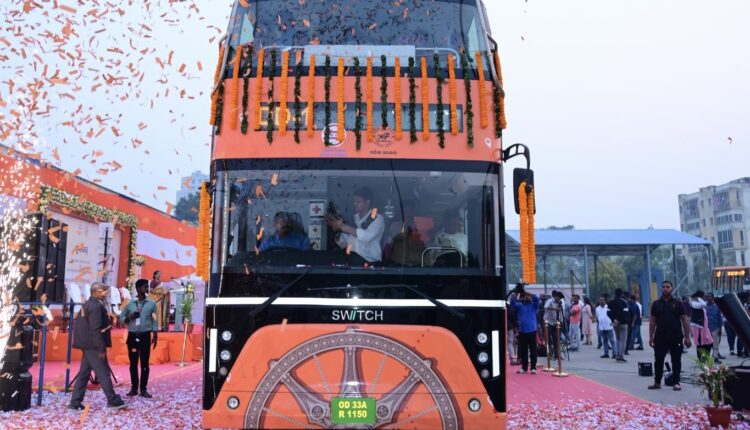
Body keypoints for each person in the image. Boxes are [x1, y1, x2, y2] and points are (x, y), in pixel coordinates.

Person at [68, 283, 126, 410]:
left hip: (88, 344)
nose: (107, 294)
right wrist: (100, 348)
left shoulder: (89, 304)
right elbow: (95, 330)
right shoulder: (94, 307)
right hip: (93, 345)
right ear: (97, 291)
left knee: (84, 374)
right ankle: (113, 400)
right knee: (103, 373)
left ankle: (75, 402)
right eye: (105, 291)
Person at [648, 280, 692, 391]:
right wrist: (651, 337)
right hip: (660, 337)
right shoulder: (656, 304)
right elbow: (652, 322)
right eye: (663, 287)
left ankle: (676, 382)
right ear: (661, 289)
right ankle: (657, 382)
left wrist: (687, 337)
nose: (665, 288)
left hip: (676, 336)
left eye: (668, 287)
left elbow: (685, 320)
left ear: (671, 288)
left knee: (676, 360)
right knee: (658, 360)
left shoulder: (678, 303)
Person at [120, 279, 158, 398]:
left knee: (145, 363)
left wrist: (155, 334)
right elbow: (121, 318)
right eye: (144, 287)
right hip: (132, 336)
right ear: (138, 289)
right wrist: (129, 317)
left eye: (147, 287)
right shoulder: (130, 304)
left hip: (145, 336)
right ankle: (134, 388)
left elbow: (155, 320)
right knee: (133, 363)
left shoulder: (152, 304)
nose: (147, 289)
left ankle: (143, 389)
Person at [326, 187, 385, 263]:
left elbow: (366, 236)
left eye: (358, 202)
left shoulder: (378, 218)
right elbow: (344, 244)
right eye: (354, 201)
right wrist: (336, 229)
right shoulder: (352, 219)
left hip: (370, 264)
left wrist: (343, 226)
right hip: (351, 262)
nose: (354, 204)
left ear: (367, 203)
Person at [510, 283, 540, 374]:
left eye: (527, 297)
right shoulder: (520, 305)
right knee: (523, 350)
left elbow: (536, 298)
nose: (526, 298)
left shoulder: (533, 306)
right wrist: (516, 294)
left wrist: (526, 292)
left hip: (532, 330)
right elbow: (512, 303)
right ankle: (524, 367)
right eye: (525, 297)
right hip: (522, 331)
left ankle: (533, 367)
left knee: (533, 350)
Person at [689, 290, 714, 363]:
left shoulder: (697, 302)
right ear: (700, 296)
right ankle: (700, 360)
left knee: (709, 342)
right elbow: (704, 305)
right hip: (698, 327)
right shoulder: (694, 303)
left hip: (704, 327)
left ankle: (705, 357)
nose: (705, 297)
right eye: (704, 296)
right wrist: (699, 298)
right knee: (700, 344)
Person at [608, 288, 631, 362]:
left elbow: (608, 313)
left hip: (614, 323)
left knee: (617, 338)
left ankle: (617, 354)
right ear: (622, 294)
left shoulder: (610, 302)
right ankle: (621, 355)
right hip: (623, 323)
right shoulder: (624, 302)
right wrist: (619, 320)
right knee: (623, 340)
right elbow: (625, 313)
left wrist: (614, 319)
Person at [543, 291, 564, 359]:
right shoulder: (549, 301)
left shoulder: (559, 303)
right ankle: (549, 354)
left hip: (555, 323)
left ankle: (557, 354)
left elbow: (560, 313)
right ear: (556, 297)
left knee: (556, 339)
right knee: (548, 339)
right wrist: (555, 309)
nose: (559, 300)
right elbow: (546, 307)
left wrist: (561, 320)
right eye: (559, 298)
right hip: (548, 322)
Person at [705, 292, 724, 361]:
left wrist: (720, 329)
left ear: (713, 297)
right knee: (707, 344)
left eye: (710, 296)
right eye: (707, 297)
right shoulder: (704, 307)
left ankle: (715, 357)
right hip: (706, 329)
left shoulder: (717, 307)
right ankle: (707, 357)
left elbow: (720, 318)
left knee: (716, 343)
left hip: (715, 328)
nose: (708, 298)